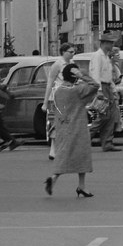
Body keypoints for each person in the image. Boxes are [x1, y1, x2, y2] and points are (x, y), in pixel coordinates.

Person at [45, 63, 99, 198]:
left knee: (63, 155)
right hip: (78, 127)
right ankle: (81, 185)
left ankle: (55, 178)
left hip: (63, 127)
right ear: (74, 75)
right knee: (82, 156)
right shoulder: (77, 90)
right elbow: (95, 85)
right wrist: (83, 75)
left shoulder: (58, 91)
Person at [44, 43, 77, 159]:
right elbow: (50, 83)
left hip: (70, 95)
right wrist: (45, 102)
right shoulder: (57, 65)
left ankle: (64, 149)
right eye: (70, 52)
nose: (73, 54)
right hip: (58, 96)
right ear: (63, 52)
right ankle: (53, 150)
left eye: (74, 52)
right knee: (57, 123)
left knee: (68, 123)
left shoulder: (72, 64)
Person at [88, 32, 120, 152]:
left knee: (111, 116)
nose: (112, 45)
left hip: (107, 87)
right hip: (101, 87)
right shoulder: (98, 56)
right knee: (104, 115)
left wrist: (113, 89)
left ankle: (107, 142)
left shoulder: (106, 57)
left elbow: (108, 75)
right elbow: (95, 73)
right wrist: (99, 90)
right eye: (110, 43)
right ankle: (88, 137)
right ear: (104, 43)